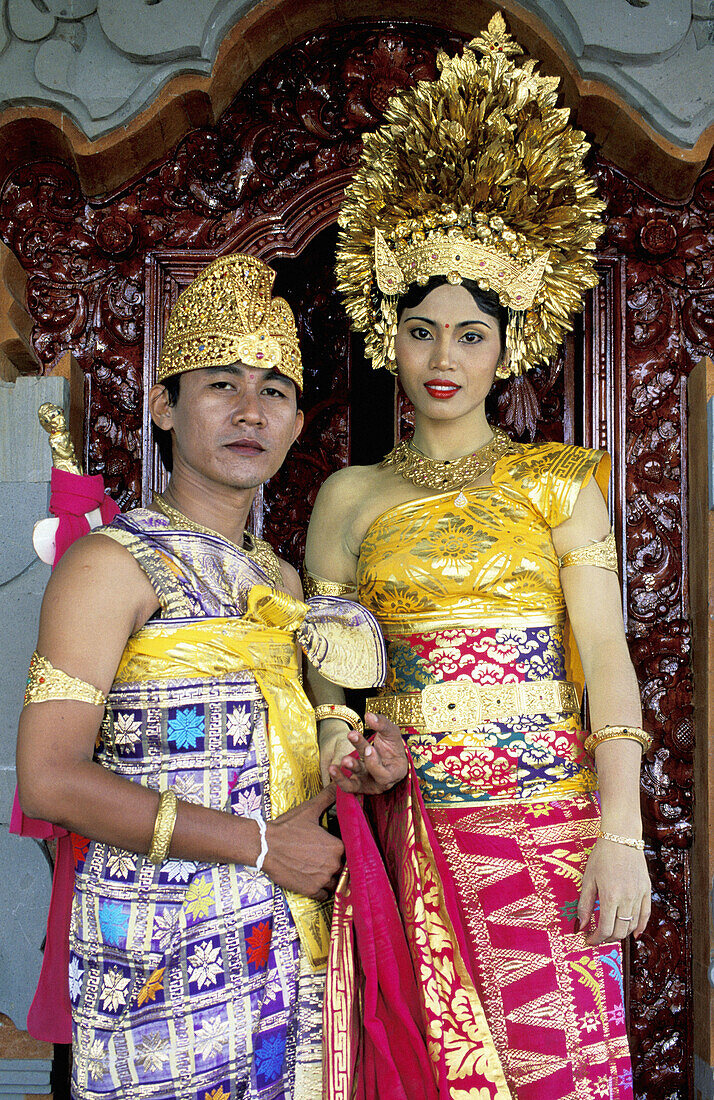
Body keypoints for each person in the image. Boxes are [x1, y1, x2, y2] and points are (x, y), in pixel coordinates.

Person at [304, 14, 651, 1100]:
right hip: (415, 837)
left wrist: (625, 833)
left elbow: (606, 653)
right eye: (421, 329)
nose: (443, 356)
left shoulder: (561, 482)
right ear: (386, 333)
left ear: (510, 343)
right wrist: (351, 755)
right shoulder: (349, 497)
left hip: (553, 832)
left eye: (469, 333)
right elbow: (330, 683)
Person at [15, 252, 404, 1100]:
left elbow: (277, 764)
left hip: (285, 942)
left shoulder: (283, 583)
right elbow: (48, 779)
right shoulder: (112, 565)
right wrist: (264, 848)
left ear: (299, 425)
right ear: (164, 405)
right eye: (220, 384)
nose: (250, 411)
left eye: (274, 392)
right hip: (155, 948)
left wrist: (361, 773)